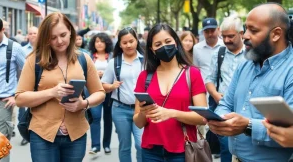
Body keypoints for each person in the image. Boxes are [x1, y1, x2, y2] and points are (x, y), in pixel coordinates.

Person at [208, 3, 293, 162]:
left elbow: (288, 133)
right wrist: (220, 121)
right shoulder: (245, 65)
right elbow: (226, 103)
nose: (245, 35)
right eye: (246, 28)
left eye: (253, 31)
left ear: (276, 34)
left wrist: (247, 126)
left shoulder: (290, 70)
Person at [15, 12, 105, 162]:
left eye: (63, 34)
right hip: (43, 135)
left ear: (71, 31)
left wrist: (83, 103)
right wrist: (51, 92)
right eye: (53, 37)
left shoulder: (83, 59)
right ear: (45, 38)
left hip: (76, 135)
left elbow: (99, 93)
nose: (59, 41)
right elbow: (20, 98)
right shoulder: (34, 60)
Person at [133, 23, 207, 162]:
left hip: (183, 149)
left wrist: (171, 113)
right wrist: (144, 112)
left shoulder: (192, 74)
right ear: (152, 49)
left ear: (176, 42)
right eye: (158, 44)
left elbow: (202, 118)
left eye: (168, 42)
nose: (164, 47)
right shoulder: (144, 77)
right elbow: (138, 123)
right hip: (150, 151)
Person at [205, 15, 245, 162]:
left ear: (241, 34)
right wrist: (215, 95)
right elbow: (209, 79)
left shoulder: (251, 54)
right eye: (224, 36)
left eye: (231, 36)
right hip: (224, 109)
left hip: (244, 109)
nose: (227, 40)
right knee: (226, 150)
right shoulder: (219, 53)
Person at [101, 27, 144, 162]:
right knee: (124, 146)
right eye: (125, 43)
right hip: (120, 109)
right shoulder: (114, 63)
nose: (128, 45)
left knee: (141, 144)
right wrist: (112, 86)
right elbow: (102, 85)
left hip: (142, 109)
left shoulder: (146, 61)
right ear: (120, 44)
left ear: (136, 41)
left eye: (131, 41)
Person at [0, 16, 26, 162]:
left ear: (2, 30)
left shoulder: (14, 48)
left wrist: (16, 96)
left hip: (2, 102)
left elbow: (27, 74)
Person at [87, 32, 113, 155]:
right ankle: (95, 146)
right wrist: (95, 75)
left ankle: (106, 144)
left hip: (109, 91)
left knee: (108, 118)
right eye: (97, 41)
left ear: (106, 43)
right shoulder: (89, 56)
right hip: (94, 91)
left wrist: (106, 75)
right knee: (96, 117)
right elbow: (83, 72)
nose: (99, 43)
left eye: (102, 41)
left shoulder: (112, 56)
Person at [18, 26, 39, 146]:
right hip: (25, 84)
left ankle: (33, 129)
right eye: (30, 33)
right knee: (23, 109)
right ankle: (26, 131)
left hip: (39, 86)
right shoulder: (23, 50)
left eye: (35, 33)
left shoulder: (45, 50)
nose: (32, 35)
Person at [193, 18, 224, 82]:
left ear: (218, 30)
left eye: (212, 31)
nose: (210, 34)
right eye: (206, 31)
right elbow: (196, 70)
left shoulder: (225, 46)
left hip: (221, 88)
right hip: (204, 88)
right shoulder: (197, 48)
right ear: (203, 32)